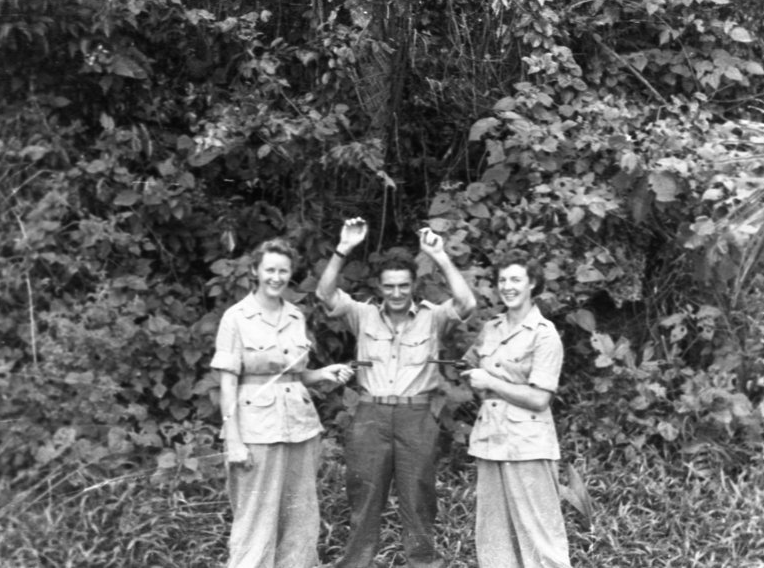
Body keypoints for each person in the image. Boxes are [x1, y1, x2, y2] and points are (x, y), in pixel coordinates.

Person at [316, 218, 477, 568]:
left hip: (416, 417)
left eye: (404, 286)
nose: (397, 294)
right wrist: (343, 248)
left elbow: (466, 304)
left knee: (419, 500)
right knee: (364, 499)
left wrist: (440, 255)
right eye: (390, 287)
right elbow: (325, 295)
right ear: (380, 287)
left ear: (414, 285)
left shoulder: (432, 318)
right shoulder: (363, 315)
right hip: (370, 416)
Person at [213, 238, 354, 568]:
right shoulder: (236, 318)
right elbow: (228, 383)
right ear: (255, 271)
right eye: (269, 270)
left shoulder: (295, 316)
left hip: (300, 430)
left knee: (300, 516)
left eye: (283, 271)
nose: (276, 277)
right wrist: (233, 441)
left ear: (291, 274)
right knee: (255, 521)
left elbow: (293, 376)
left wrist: (322, 374)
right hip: (256, 433)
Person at [459, 250, 571, 568]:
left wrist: (490, 381)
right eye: (503, 280)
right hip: (490, 440)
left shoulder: (544, 334)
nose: (507, 286)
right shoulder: (491, 328)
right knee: (493, 538)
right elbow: (471, 367)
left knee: (541, 538)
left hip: (528, 445)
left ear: (532, 284)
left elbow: (539, 399)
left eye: (516, 279)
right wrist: (473, 378)